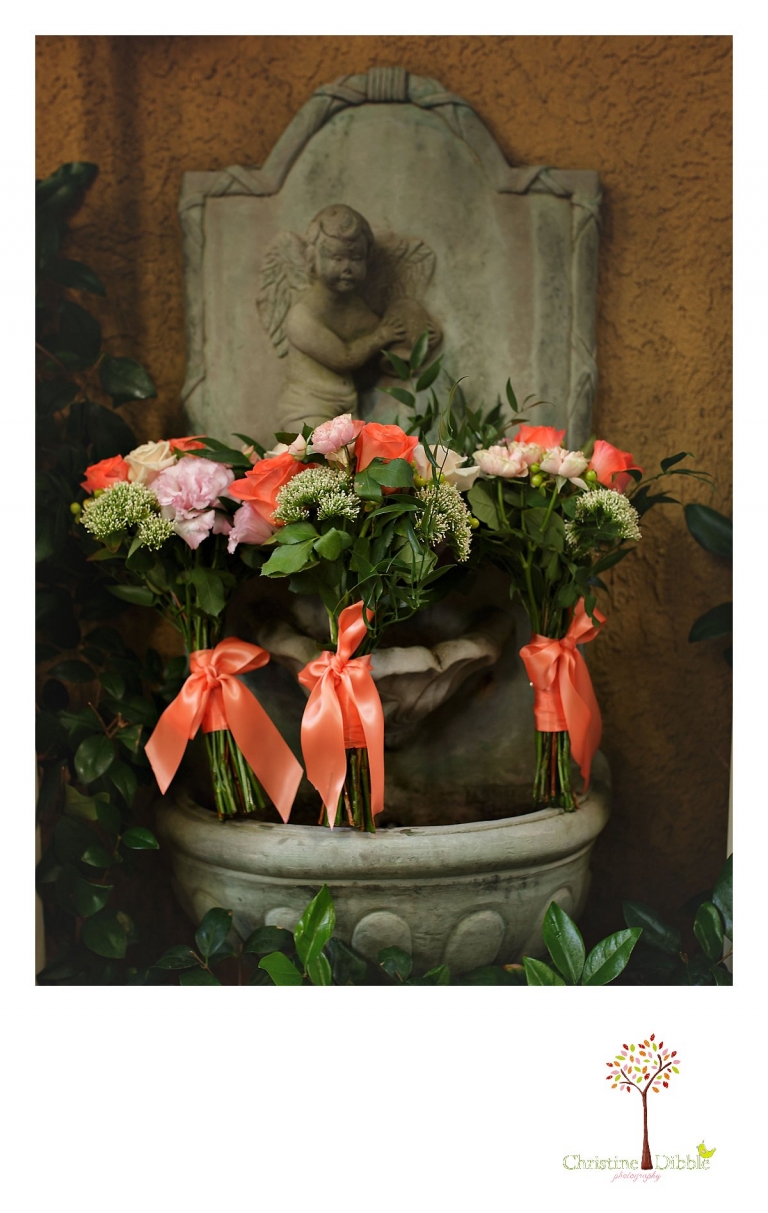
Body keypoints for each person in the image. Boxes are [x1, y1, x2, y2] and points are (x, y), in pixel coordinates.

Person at [277, 205, 409, 430]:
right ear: (313, 258)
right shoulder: (302, 316)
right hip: (308, 409)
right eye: (337, 258)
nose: (347, 268)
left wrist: (410, 330)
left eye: (356, 259)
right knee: (316, 451)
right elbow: (344, 358)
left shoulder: (355, 307)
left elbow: (381, 334)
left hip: (347, 409)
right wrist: (382, 336)